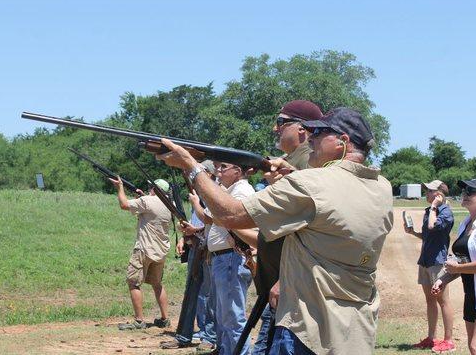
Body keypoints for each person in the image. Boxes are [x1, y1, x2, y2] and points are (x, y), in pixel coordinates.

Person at [155, 107, 393, 355]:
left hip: (306, 328)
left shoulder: (310, 184)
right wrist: (293, 175)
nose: (310, 137)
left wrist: (192, 167)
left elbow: (231, 214)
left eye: (319, 132)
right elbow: (333, 203)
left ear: (343, 141)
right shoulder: (382, 188)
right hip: (354, 329)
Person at [252, 100, 322, 355]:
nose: (275, 128)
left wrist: (285, 280)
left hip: (288, 286)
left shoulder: (306, 162)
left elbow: (307, 230)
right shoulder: (293, 160)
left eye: (281, 122)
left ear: (302, 129)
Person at [189, 161, 257, 355]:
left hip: (231, 257)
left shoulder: (241, 191)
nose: (218, 171)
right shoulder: (229, 190)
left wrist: (196, 202)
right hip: (224, 257)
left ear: (238, 170)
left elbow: (211, 217)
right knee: (224, 315)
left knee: (232, 317)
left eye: (223, 167)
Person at [161, 160, 217, 350]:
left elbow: (215, 221)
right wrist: (184, 237)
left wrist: (196, 229)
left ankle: (209, 337)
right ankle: (183, 336)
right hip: (196, 246)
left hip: (209, 248)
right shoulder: (198, 194)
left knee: (209, 295)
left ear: (208, 174)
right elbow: (196, 220)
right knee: (191, 292)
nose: (193, 175)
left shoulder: (215, 193)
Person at [109, 176, 172, 330]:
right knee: (157, 284)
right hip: (160, 251)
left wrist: (120, 188)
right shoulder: (170, 204)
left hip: (144, 249)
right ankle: (165, 318)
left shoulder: (148, 201)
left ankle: (139, 320)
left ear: (155, 190)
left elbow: (124, 205)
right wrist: (143, 197)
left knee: (133, 282)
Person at [432, 178, 476, 355]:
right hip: (472, 295)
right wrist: (444, 279)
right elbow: (461, 262)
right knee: (474, 347)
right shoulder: (465, 224)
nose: (465, 194)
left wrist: (457, 269)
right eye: (464, 191)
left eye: (470, 192)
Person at [403, 180, 455, 351]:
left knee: (443, 301)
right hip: (425, 261)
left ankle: (448, 340)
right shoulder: (429, 211)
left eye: (430, 190)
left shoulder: (445, 213)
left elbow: (433, 226)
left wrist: (434, 206)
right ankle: (431, 338)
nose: (426, 193)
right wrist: (413, 233)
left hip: (438, 263)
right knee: (430, 300)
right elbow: (428, 236)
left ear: (439, 194)